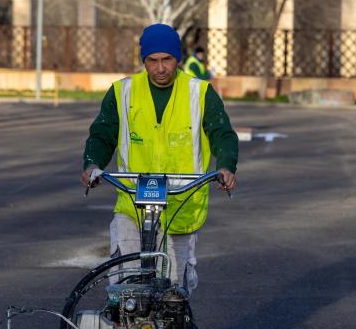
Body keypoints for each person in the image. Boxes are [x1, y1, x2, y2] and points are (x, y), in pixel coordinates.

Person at [81, 24, 238, 296]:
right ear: (144, 60)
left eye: (167, 59)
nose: (160, 67)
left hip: (181, 204)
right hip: (133, 205)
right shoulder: (122, 92)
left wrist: (225, 166)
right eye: (152, 60)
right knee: (125, 285)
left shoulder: (199, 93)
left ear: (177, 58)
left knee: (174, 292)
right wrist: (92, 165)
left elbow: (222, 133)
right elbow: (102, 134)